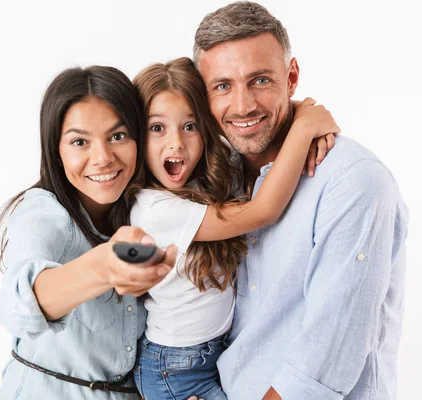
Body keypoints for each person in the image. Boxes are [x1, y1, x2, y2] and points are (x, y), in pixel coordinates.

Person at [189, 2, 409, 400]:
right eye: (222, 86)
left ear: (291, 78)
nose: (242, 106)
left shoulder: (352, 179)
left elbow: (325, 362)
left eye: (259, 80)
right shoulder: (220, 177)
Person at [129, 57, 339, 400]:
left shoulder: (208, 174)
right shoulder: (154, 209)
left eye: (190, 125)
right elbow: (262, 210)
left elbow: (251, 127)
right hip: (175, 370)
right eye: (157, 128)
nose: (176, 143)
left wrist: (297, 109)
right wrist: (303, 128)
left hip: (212, 355)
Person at [0, 65, 178, 399]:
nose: (103, 158)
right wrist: (103, 267)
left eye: (118, 136)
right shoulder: (43, 212)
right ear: (56, 151)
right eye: (80, 142)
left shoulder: (150, 210)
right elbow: (15, 304)